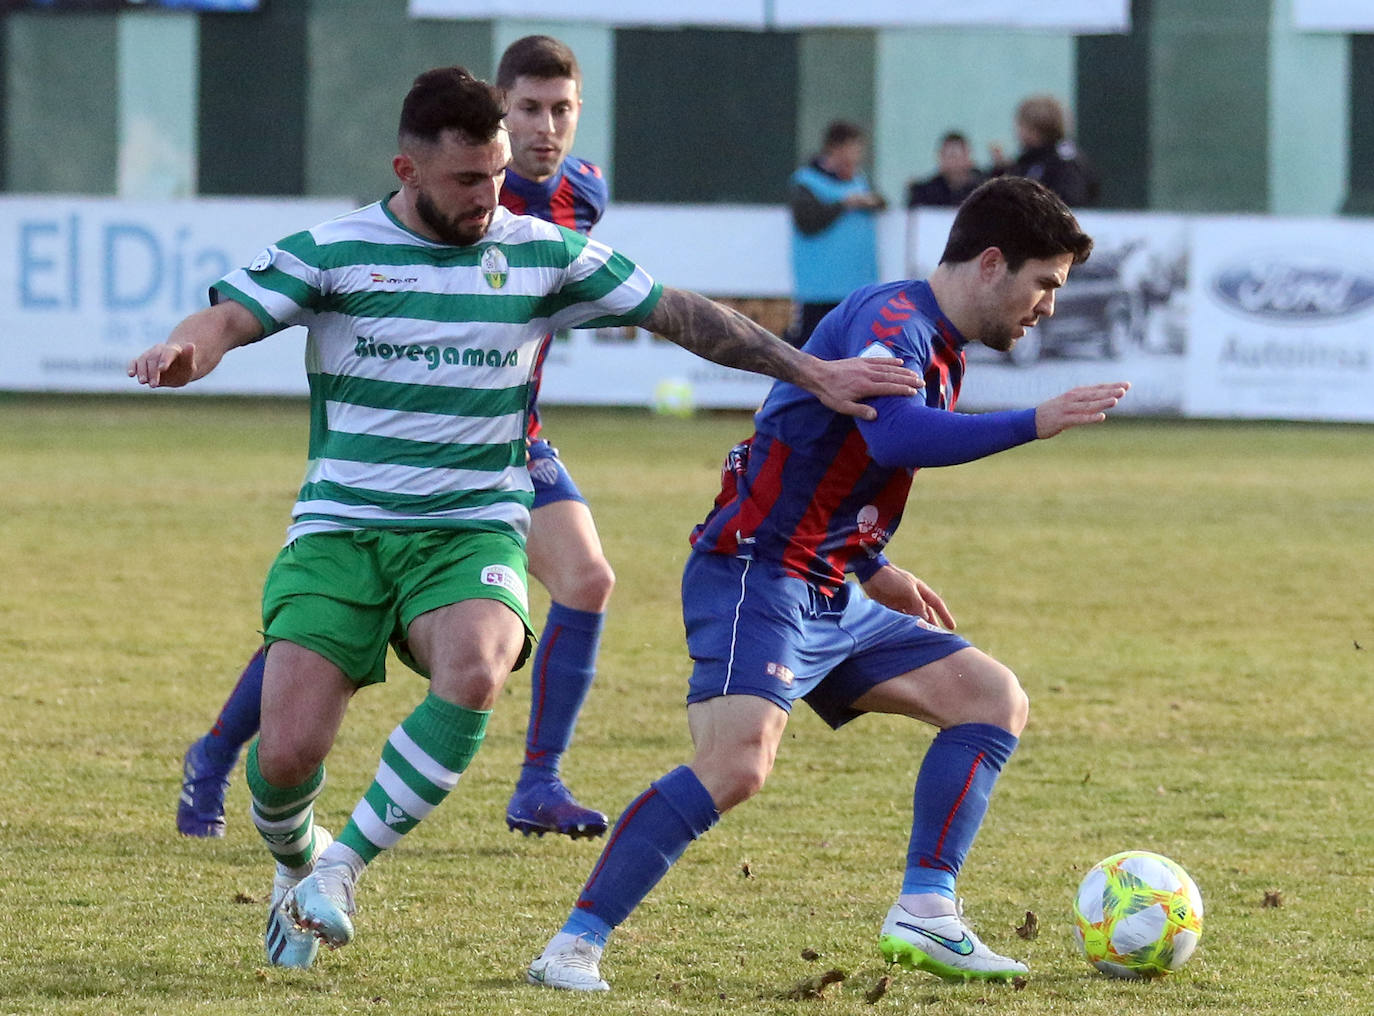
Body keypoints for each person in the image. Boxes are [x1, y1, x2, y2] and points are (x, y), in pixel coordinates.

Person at [130, 66, 921, 972]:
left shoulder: (539, 249)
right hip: (342, 531)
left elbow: (681, 314)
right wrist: (188, 347)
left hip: (470, 526)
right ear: (407, 169)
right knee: (283, 765)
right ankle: (297, 863)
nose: (489, 196)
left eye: (498, 173)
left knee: (476, 668)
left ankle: (344, 868)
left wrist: (813, 371)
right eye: (468, 179)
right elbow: (230, 315)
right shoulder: (335, 249)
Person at [526, 176, 1130, 992]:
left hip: (828, 584)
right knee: (736, 765)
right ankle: (572, 945)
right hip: (756, 573)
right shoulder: (894, 324)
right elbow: (896, 437)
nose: (1048, 307)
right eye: (1045, 284)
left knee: (991, 698)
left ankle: (926, 911)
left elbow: (818, 445)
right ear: (993, 263)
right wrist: (1034, 420)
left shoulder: (934, 337)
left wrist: (875, 566)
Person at [176, 35, 613, 843]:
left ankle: (539, 782)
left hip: (506, 440)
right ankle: (216, 751)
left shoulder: (582, 196)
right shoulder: (443, 192)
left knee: (586, 578)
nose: (545, 127)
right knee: (320, 638)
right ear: (500, 110)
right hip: (400, 450)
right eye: (529, 108)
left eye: (562, 110)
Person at [787, 120, 886, 347]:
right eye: (854, 148)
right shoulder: (806, 181)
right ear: (835, 148)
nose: (857, 156)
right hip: (819, 289)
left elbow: (881, 201)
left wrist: (872, 202)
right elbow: (807, 221)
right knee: (813, 349)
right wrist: (844, 204)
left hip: (857, 287)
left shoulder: (859, 179)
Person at [991, 95, 1100, 207]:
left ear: (1034, 129)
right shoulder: (1029, 159)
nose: (1017, 132)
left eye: (1021, 125)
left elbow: (1071, 199)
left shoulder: (1064, 162)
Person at [906, 131, 986, 208]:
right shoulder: (926, 191)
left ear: (969, 157)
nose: (954, 162)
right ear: (940, 158)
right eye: (949, 156)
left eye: (958, 156)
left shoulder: (984, 189)